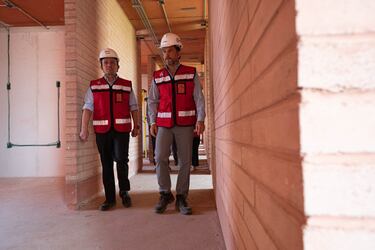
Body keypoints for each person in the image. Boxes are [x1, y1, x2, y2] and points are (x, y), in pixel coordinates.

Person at [148, 33, 205, 215]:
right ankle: (165, 193)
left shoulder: (190, 73)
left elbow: (199, 98)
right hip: (164, 124)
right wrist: (152, 121)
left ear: (178, 51)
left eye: (170, 50)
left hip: (185, 124)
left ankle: (181, 196)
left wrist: (200, 119)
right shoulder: (158, 76)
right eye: (164, 51)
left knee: (185, 161)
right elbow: (152, 101)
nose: (166, 55)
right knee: (160, 157)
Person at [80, 48, 139, 211]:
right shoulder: (94, 86)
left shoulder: (126, 85)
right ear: (101, 66)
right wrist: (83, 128)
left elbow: (134, 106)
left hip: (122, 130)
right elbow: (87, 107)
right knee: (106, 164)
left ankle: (124, 192)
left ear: (118, 66)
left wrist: (137, 125)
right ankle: (109, 198)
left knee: (121, 160)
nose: (109, 65)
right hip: (102, 131)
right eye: (105, 63)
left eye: (113, 62)